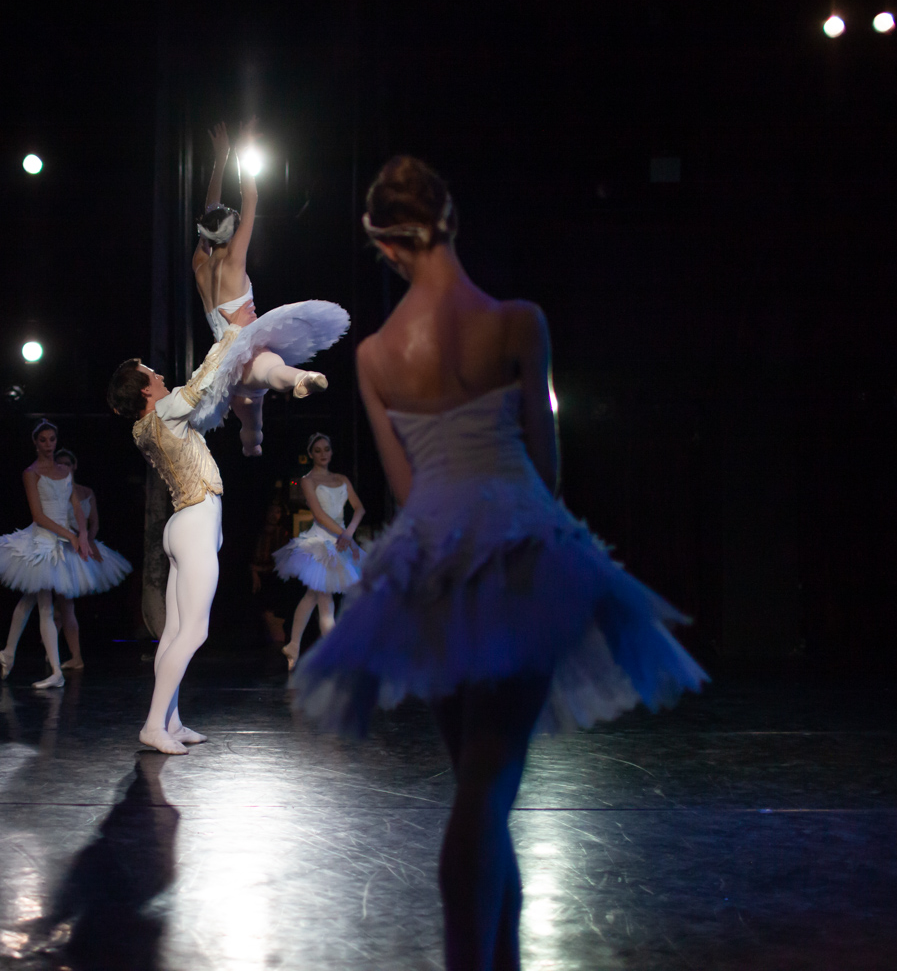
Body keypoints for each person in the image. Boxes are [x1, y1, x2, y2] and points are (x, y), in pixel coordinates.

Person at [290, 156, 707, 971]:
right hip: (517, 551)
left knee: (481, 792)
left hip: (433, 563)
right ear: (450, 220)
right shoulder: (519, 322)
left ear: (386, 246)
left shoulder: (375, 355)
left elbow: (407, 490)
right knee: (488, 790)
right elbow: (546, 472)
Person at [106, 317, 247, 754]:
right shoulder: (164, 412)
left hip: (183, 524)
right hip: (194, 523)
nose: (160, 375)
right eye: (152, 373)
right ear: (145, 390)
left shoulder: (144, 427)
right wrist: (233, 333)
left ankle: (171, 721)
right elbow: (201, 381)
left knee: (173, 634)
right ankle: (154, 725)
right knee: (193, 633)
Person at [191, 118, 350, 454]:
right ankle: (299, 379)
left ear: (205, 232)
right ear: (232, 232)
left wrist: (220, 157)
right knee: (269, 369)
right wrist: (243, 149)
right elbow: (250, 196)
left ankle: (252, 445)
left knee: (252, 426)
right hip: (246, 352)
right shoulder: (234, 259)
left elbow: (210, 213)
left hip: (223, 366)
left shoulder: (200, 265)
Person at [0, 421, 128, 689]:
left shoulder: (64, 471)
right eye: (43, 440)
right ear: (35, 443)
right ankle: (54, 671)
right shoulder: (31, 473)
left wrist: (83, 534)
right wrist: (70, 535)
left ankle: (10, 652)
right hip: (44, 540)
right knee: (43, 605)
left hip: (64, 540)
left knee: (31, 599)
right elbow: (38, 515)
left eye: (52, 439)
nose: (49, 445)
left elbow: (76, 507)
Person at [273, 432, 364, 670]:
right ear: (311, 454)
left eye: (326, 449)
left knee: (313, 596)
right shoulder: (307, 480)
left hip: (342, 541)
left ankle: (294, 646)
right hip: (321, 542)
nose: (323, 454)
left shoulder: (342, 479)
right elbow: (320, 515)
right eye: (318, 450)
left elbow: (359, 509)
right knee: (324, 599)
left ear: (331, 451)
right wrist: (345, 535)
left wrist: (349, 533)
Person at [51, 447, 133, 670]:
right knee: (63, 605)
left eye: (68, 464)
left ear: (74, 466)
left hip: (83, 546)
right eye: (60, 464)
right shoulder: (56, 493)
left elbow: (94, 522)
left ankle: (69, 656)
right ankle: (64, 655)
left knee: (64, 606)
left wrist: (88, 540)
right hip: (64, 547)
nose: (64, 467)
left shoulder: (86, 492)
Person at [250, 492, 296, 648]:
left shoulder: (283, 534)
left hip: (274, 580)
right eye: (271, 511)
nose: (274, 515)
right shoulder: (258, 533)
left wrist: (259, 569)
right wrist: (254, 571)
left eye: (278, 512)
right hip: (259, 579)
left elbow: (280, 562)